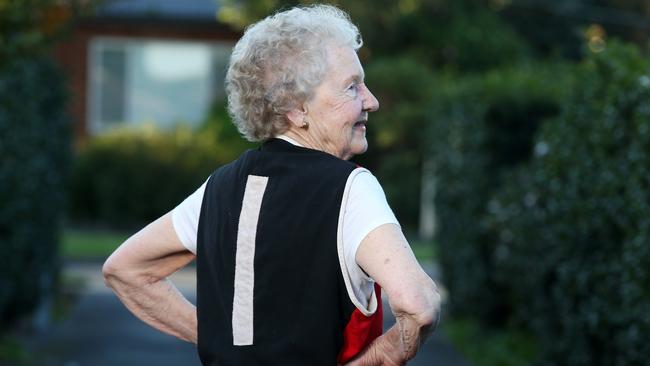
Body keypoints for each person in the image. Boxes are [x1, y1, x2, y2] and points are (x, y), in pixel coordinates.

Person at [103, 4, 440, 365]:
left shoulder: (218, 186)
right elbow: (420, 306)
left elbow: (125, 269)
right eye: (352, 87)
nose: (371, 101)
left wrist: (223, 340)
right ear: (296, 109)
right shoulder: (351, 188)